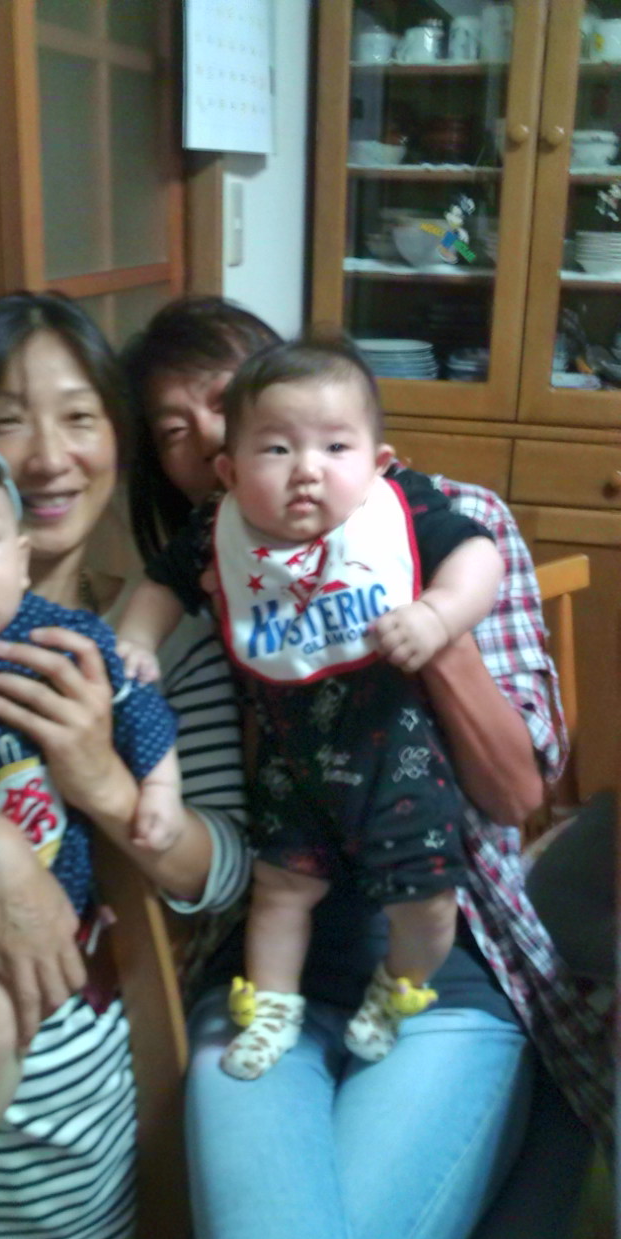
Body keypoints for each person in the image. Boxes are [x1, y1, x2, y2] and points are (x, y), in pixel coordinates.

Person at [123, 295, 613, 1239]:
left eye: (223, 397)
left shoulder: (436, 520)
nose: (210, 436)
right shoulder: (216, 572)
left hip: (452, 956)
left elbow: (517, 795)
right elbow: (205, 859)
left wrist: (425, 619)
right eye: (176, 432)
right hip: (270, 961)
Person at [0, 292, 252, 1239]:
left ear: (119, 439)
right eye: (6, 419)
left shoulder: (165, 649)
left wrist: (102, 780)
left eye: (80, 417)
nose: (46, 458)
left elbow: (222, 872)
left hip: (58, 1160)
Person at [118, 335, 504, 1078]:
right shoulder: (220, 531)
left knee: (427, 901)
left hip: (397, 756)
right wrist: (135, 641)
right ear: (229, 472)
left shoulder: (399, 509)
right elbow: (161, 584)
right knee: (280, 892)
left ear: (379, 462)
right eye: (276, 449)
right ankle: (270, 1011)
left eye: (335, 446)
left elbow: (478, 554)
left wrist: (438, 614)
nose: (307, 469)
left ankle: (398, 989)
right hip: (292, 765)